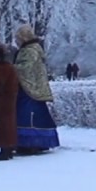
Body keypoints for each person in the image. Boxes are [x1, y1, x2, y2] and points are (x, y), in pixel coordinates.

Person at [13, 24, 59, 154]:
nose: (16, 41)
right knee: (38, 115)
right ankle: (40, 142)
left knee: (27, 116)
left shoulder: (28, 51)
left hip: (28, 90)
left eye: (18, 38)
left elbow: (25, 68)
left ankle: (28, 143)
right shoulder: (36, 49)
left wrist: (10, 68)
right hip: (34, 88)